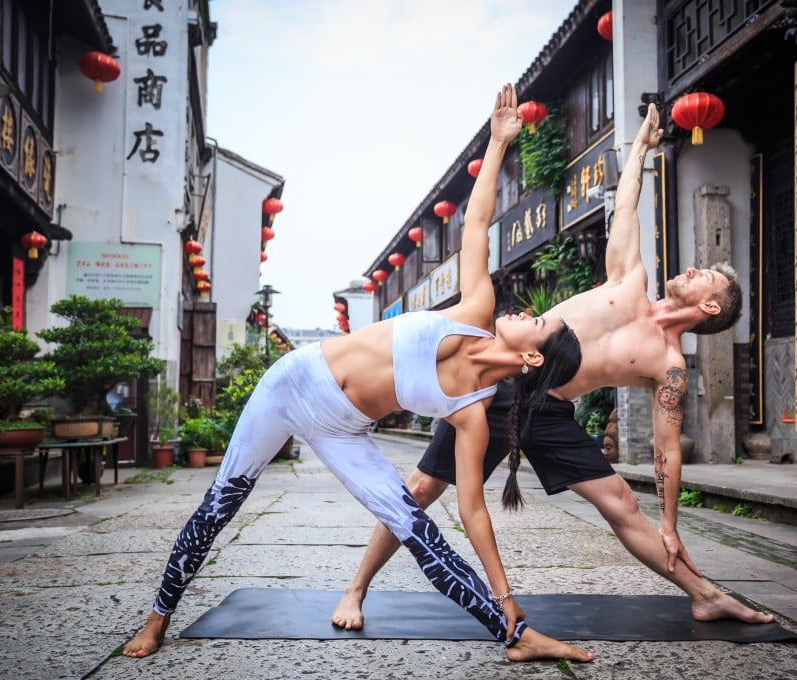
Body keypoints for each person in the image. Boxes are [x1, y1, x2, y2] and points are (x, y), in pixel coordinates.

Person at [123, 84, 594, 664]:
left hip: (343, 431)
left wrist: (506, 592)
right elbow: (476, 224)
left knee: (421, 533)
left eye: (537, 322)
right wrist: (498, 143)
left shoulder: (472, 413)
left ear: (532, 359)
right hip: (291, 386)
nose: (524, 312)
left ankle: (516, 635)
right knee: (221, 504)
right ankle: (157, 619)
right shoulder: (476, 310)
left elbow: (473, 510)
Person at [331, 102, 776, 631]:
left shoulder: (669, 367)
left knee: (621, 504)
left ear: (709, 308)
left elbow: (667, 449)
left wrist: (670, 522)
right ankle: (355, 590)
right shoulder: (629, 279)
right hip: (502, 383)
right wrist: (639, 147)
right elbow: (627, 205)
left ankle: (706, 595)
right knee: (424, 488)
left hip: (551, 413)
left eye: (706, 278)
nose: (695, 269)